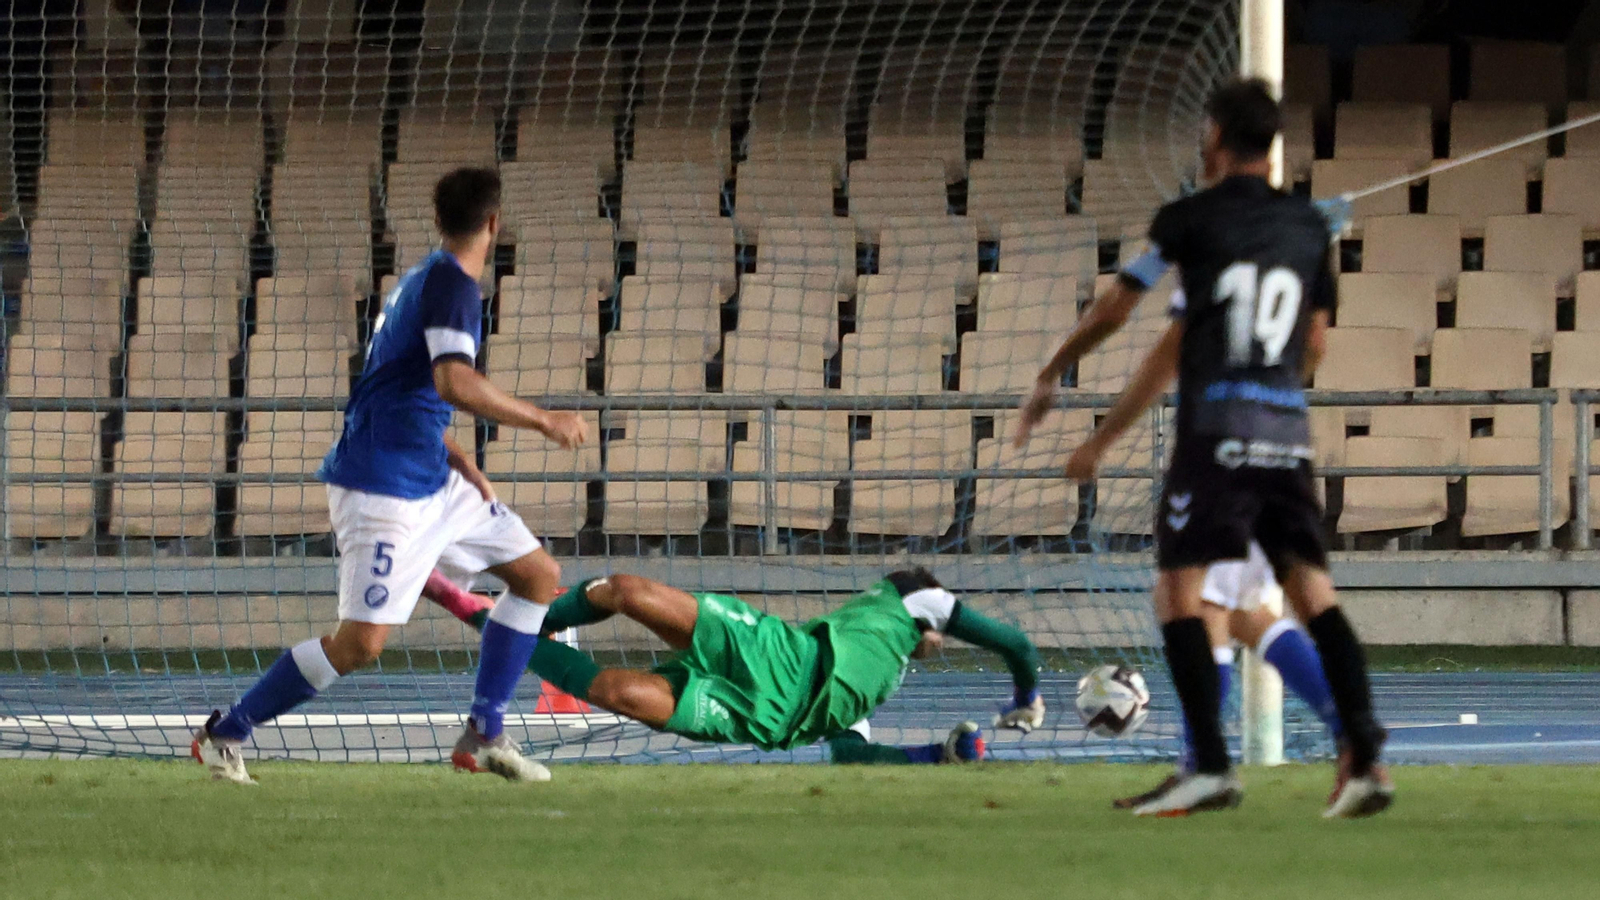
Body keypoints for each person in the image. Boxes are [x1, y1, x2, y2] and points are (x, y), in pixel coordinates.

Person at [1015, 79, 1391, 818]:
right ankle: (1367, 760)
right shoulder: (1309, 229)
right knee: (1312, 592)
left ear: (1215, 135)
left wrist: (1054, 373)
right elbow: (1313, 342)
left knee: (1180, 593)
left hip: (1216, 430)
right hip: (1285, 431)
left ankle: (1210, 768)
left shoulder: (1187, 222)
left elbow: (1120, 307)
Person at [190, 167, 589, 785]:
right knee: (360, 647)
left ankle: (485, 733)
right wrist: (543, 419)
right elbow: (452, 381)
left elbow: (394, 385)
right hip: (382, 489)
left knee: (537, 575)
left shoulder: (423, 280)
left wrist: (453, 450)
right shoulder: (450, 286)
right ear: (493, 223)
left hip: (429, 472)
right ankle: (226, 732)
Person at [422, 567, 1045, 760]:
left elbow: (853, 755)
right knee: (629, 591)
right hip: (779, 651)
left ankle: (476, 612)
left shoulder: (877, 687)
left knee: (616, 691)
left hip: (765, 719)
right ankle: (540, 615)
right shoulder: (914, 597)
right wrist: (1026, 699)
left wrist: (937, 755)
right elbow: (1016, 644)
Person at [1113, 542, 1345, 808]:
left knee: (1198, 603)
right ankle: (1354, 731)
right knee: (1243, 615)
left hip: (1230, 507)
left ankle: (1201, 767)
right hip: (1250, 509)